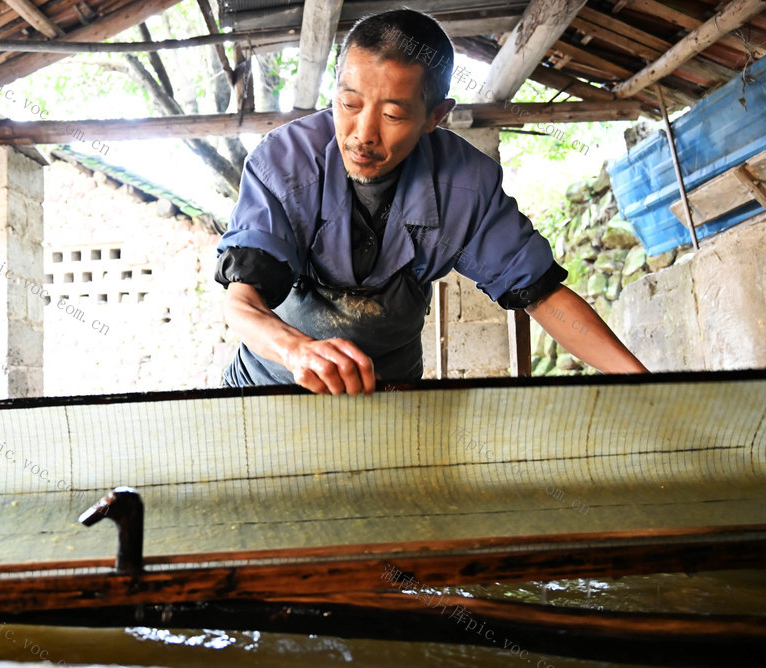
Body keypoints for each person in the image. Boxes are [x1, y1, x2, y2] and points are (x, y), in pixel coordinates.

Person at [214, 9, 647, 396]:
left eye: (393, 115)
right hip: (266, 387)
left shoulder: (466, 184)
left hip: (390, 398)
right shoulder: (285, 162)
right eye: (349, 103)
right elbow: (242, 301)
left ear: (435, 117)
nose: (362, 133)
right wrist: (298, 352)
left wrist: (648, 387)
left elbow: (542, 295)